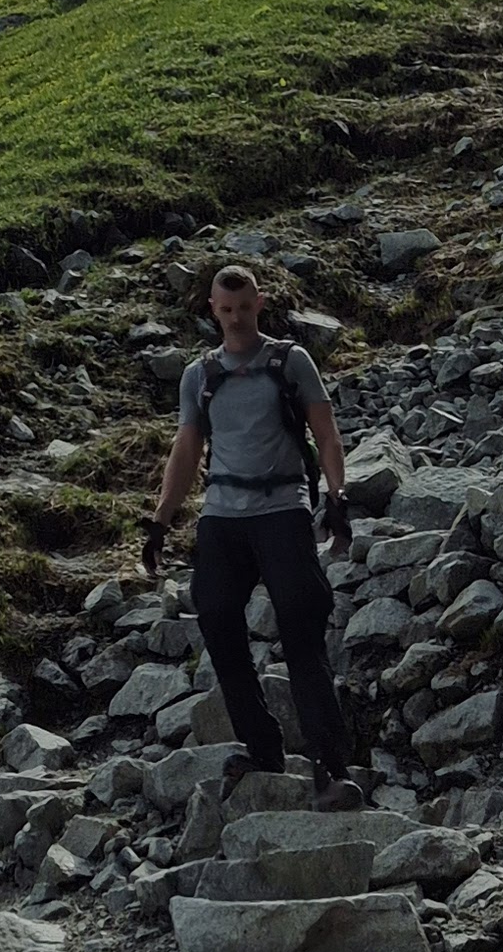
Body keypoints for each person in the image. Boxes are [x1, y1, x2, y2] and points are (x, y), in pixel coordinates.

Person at [141, 263, 362, 803]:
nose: (236, 318)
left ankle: (331, 767)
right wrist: (160, 520)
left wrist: (338, 496)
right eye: (226, 310)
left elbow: (326, 434)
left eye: (244, 308)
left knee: (302, 626)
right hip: (222, 516)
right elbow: (186, 450)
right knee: (217, 620)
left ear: (259, 304)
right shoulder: (199, 375)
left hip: (283, 510)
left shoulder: (291, 361)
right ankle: (262, 748)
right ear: (213, 310)